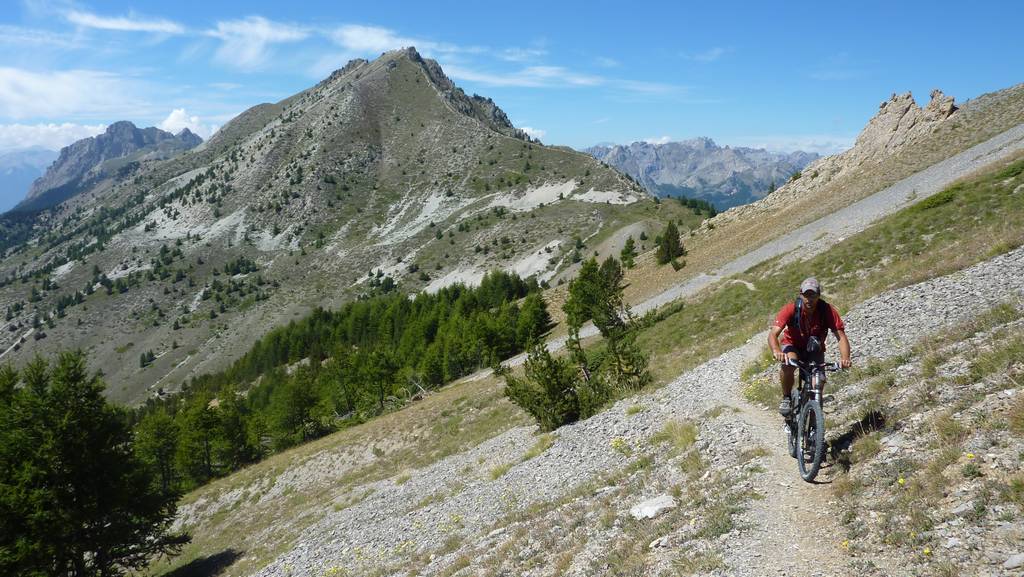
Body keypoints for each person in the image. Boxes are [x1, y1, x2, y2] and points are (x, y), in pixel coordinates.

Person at [768, 277, 852, 416]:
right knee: (788, 365)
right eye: (806, 295)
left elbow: (841, 336)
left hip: (814, 349)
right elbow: (773, 334)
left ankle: (815, 417)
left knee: (818, 382)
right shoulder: (791, 308)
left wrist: (845, 358)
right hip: (792, 345)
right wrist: (777, 350)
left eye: (813, 295)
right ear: (801, 295)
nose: (809, 299)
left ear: (818, 296)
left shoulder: (827, 310)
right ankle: (787, 398)